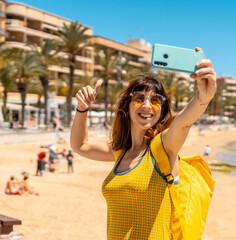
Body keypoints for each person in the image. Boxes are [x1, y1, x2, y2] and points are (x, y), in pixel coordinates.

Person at [70, 47, 216, 240]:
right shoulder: (121, 151)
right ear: (127, 105)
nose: (147, 105)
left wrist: (203, 97)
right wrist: (82, 109)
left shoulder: (162, 147)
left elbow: (183, 122)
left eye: (155, 101)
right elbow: (80, 146)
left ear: (161, 110)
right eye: (139, 98)